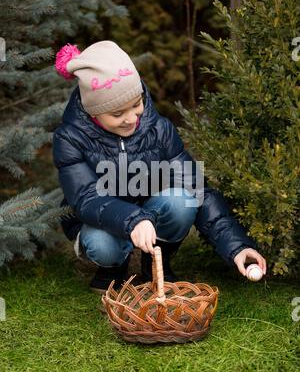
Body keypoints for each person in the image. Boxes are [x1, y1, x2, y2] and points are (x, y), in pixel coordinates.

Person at [52, 40, 267, 294]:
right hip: (98, 219)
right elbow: (87, 198)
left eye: (136, 104)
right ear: (94, 113)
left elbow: (198, 190)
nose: (132, 118)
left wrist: (237, 247)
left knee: (182, 201)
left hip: (149, 208)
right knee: (102, 244)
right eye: (118, 113)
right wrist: (134, 220)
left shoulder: (159, 129)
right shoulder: (70, 138)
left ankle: (155, 264)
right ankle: (112, 269)